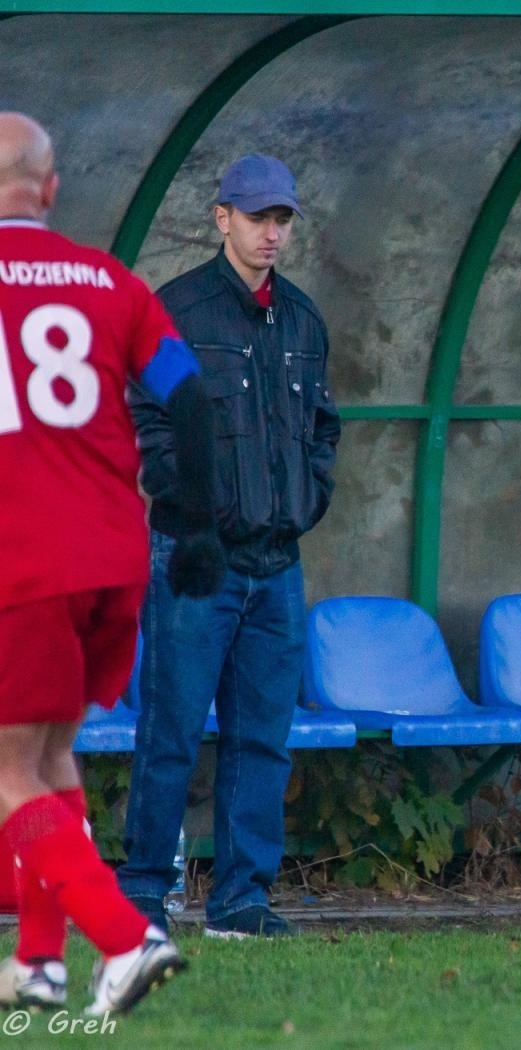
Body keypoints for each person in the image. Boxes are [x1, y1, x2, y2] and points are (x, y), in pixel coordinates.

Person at [0, 111, 225, 1015]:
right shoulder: (110, 281)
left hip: (19, 556)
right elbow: (192, 397)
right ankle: (41, 964)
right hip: (112, 552)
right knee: (49, 752)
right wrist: (198, 524)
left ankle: (128, 938)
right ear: (52, 190)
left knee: (6, 768)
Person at [117, 154, 340, 940]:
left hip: (277, 564)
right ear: (222, 219)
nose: (272, 232)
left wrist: (304, 501)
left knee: (261, 739)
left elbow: (322, 430)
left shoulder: (305, 321)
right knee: (170, 729)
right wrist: (198, 514)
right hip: (196, 560)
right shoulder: (175, 311)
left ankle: (243, 900)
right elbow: (148, 421)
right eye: (257, 217)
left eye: (282, 219)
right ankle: (146, 893)